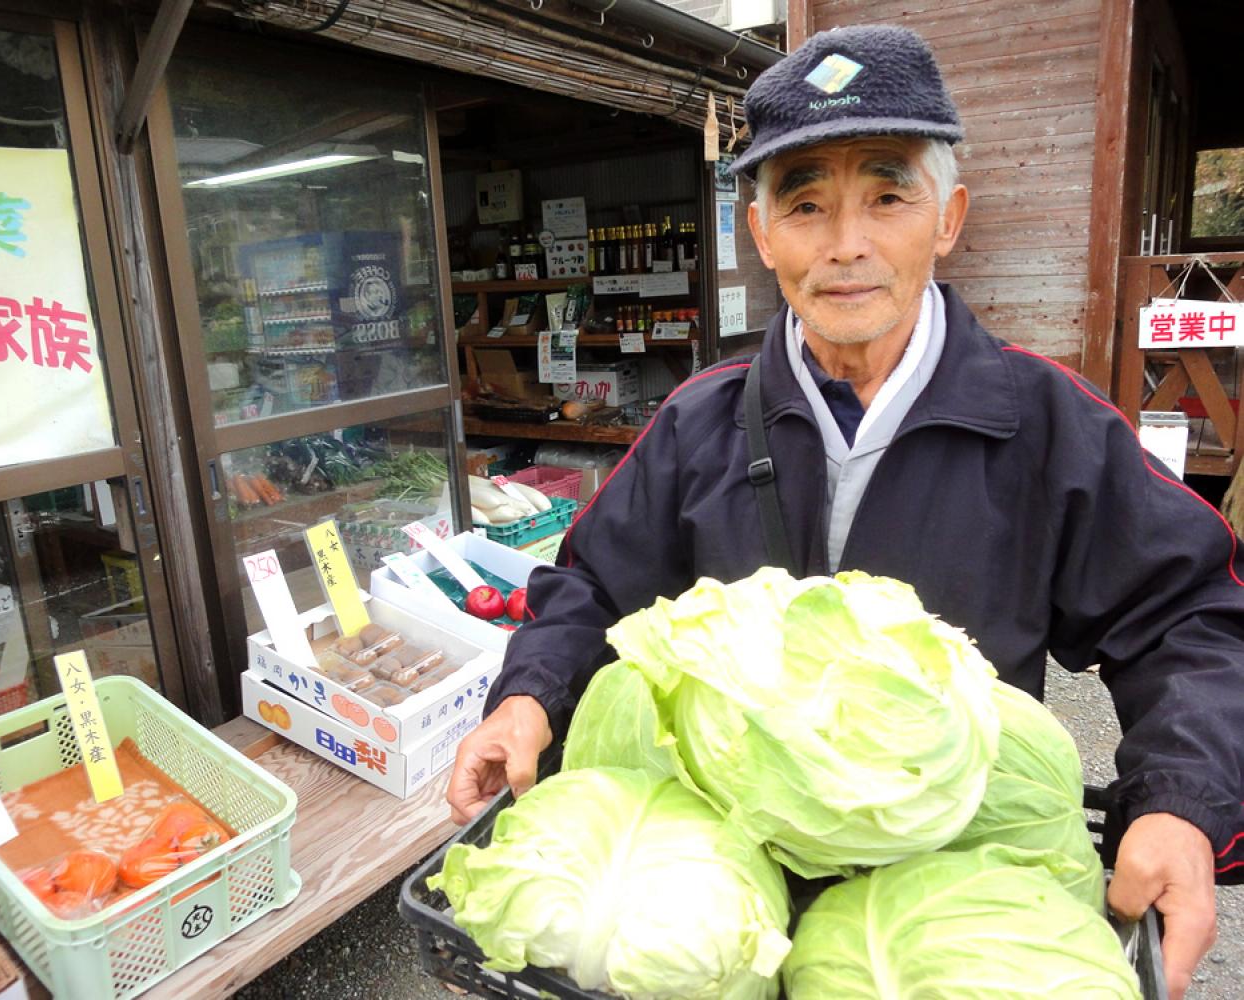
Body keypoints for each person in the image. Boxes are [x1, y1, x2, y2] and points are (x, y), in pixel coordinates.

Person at [447, 24, 1243, 999]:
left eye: (887, 194)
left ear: (946, 216)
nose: (846, 244)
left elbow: (1188, 618)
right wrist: (528, 696)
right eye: (807, 203)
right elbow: (592, 587)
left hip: (939, 890)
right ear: (761, 232)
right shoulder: (700, 422)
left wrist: (1178, 802)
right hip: (730, 891)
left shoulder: (1043, 422)